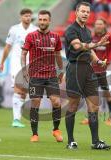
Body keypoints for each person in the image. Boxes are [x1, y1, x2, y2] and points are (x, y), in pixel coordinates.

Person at [64, 2, 111, 150]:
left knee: (94, 106)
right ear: (77, 12)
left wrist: (97, 61)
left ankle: (95, 141)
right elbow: (78, 47)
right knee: (73, 105)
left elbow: (89, 51)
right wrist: (96, 45)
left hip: (88, 70)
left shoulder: (87, 31)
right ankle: (71, 141)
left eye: (87, 12)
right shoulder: (71, 30)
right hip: (75, 68)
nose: (85, 14)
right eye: (82, 11)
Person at [21, 10, 64, 143]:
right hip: (35, 75)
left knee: (56, 102)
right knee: (35, 102)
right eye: (40, 20)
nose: (42, 22)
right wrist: (24, 69)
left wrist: (61, 70)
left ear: (49, 21)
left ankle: (56, 130)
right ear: (38, 20)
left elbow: (58, 55)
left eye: (45, 20)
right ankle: (35, 134)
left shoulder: (55, 37)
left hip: (51, 75)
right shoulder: (30, 36)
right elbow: (23, 54)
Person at [0, 8, 37, 128]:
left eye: (29, 16)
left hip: (30, 64)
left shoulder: (35, 30)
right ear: (21, 17)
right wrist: (2, 62)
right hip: (16, 63)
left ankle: (18, 119)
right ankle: (15, 119)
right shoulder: (14, 29)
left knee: (23, 92)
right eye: (25, 16)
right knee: (18, 89)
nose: (28, 18)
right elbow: (7, 47)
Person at [81, 17, 111, 126]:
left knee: (107, 93)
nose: (98, 26)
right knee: (89, 94)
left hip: (106, 70)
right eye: (96, 24)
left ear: (105, 25)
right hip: (92, 69)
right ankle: (89, 117)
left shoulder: (110, 36)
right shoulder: (91, 37)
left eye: (100, 24)